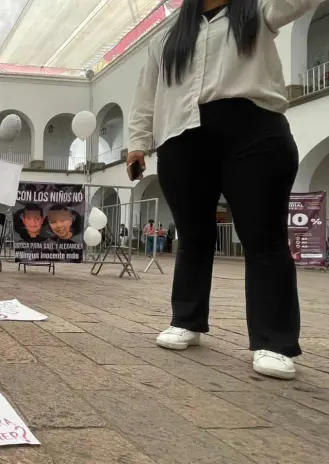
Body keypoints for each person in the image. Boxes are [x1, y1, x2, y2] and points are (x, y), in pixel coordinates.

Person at [127, 0, 319, 380]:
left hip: (254, 131)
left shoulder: (259, 10)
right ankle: (187, 319)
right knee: (193, 235)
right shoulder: (166, 37)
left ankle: (274, 341)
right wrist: (137, 142)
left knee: (263, 237)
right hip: (182, 138)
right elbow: (146, 93)